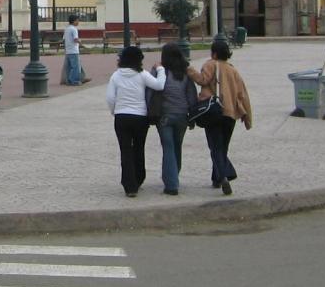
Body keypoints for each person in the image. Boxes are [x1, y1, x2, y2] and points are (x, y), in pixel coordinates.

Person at [188, 39, 252, 195]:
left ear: (214, 53)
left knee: (215, 147)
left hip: (215, 111)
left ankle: (224, 175)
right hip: (231, 115)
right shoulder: (233, 70)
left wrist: (188, 69)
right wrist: (247, 117)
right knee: (223, 147)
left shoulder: (211, 64)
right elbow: (243, 94)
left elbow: (202, 80)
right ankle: (216, 178)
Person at [106, 46, 165, 197]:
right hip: (140, 117)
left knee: (125, 150)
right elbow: (159, 85)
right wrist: (161, 70)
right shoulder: (142, 75)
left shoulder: (116, 76)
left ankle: (129, 185)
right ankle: (139, 178)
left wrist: (114, 110)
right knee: (139, 148)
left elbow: (111, 98)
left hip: (121, 116)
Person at [155, 43, 199, 195]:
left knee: (168, 147)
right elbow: (192, 97)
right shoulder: (185, 74)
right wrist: (192, 117)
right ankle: (174, 174)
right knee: (177, 146)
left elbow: (151, 92)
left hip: (165, 115)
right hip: (182, 116)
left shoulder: (160, 72)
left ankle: (171, 184)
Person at [63, 15, 90, 85]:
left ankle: (71, 79)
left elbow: (64, 39)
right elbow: (75, 39)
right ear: (74, 21)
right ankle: (74, 81)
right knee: (75, 67)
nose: (78, 22)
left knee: (70, 67)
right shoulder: (74, 29)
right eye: (77, 20)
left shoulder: (67, 29)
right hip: (74, 50)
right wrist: (82, 44)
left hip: (68, 50)